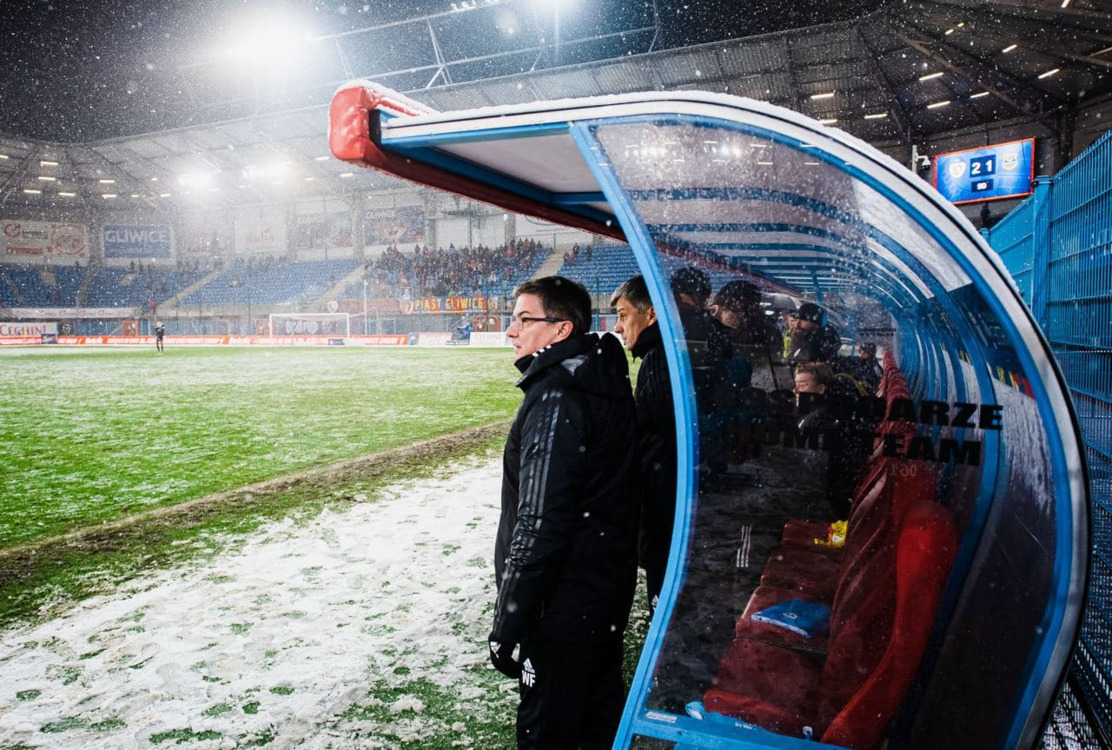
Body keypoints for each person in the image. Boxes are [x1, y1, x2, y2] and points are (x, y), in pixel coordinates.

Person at [491, 275, 638, 749]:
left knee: (549, 729)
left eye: (523, 320)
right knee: (596, 716)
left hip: (562, 604)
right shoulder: (599, 378)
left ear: (561, 329)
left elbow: (541, 522)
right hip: (601, 592)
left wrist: (508, 620)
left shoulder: (557, 396)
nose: (511, 331)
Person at [611, 275, 675, 615]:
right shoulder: (665, 354)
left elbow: (661, 441)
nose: (618, 327)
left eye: (624, 315)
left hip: (664, 503)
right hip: (665, 498)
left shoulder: (659, 361)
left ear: (651, 314)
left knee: (663, 590)